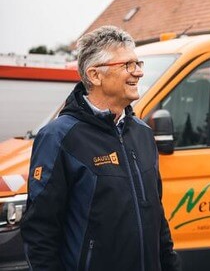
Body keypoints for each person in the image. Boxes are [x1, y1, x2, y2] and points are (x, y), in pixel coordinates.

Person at [21, 26, 181, 271]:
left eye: (138, 63)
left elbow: (156, 217)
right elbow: (40, 232)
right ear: (95, 75)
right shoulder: (59, 137)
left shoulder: (143, 133)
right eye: (128, 65)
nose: (138, 72)